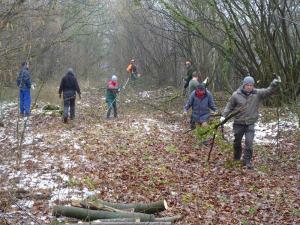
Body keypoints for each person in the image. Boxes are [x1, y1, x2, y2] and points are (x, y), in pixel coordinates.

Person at [220, 75, 281, 169]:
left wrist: (274, 84)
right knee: (237, 142)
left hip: (250, 123)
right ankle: (236, 158)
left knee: (249, 143)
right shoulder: (236, 95)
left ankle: (247, 161)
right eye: (247, 85)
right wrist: (224, 116)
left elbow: (268, 91)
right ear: (244, 85)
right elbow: (229, 106)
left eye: (251, 85)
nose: (249, 87)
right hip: (238, 123)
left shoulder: (257, 93)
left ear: (253, 86)